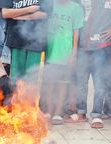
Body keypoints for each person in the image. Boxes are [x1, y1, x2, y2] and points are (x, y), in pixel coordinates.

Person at [68, 0, 111, 128]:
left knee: (99, 82)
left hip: (101, 46)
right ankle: (81, 113)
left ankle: (96, 115)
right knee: (81, 82)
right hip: (81, 46)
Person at [40, 0, 84, 125]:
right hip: (49, 50)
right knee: (49, 83)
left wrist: (74, 52)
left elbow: (76, 32)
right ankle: (49, 111)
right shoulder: (49, 4)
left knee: (62, 84)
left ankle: (58, 112)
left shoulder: (76, 8)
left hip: (65, 51)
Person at [0, 0, 53, 82]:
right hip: (16, 39)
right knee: (15, 78)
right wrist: (30, 9)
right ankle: (15, 95)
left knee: (32, 77)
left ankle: (29, 95)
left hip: (37, 41)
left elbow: (45, 14)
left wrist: (18, 15)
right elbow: (5, 13)